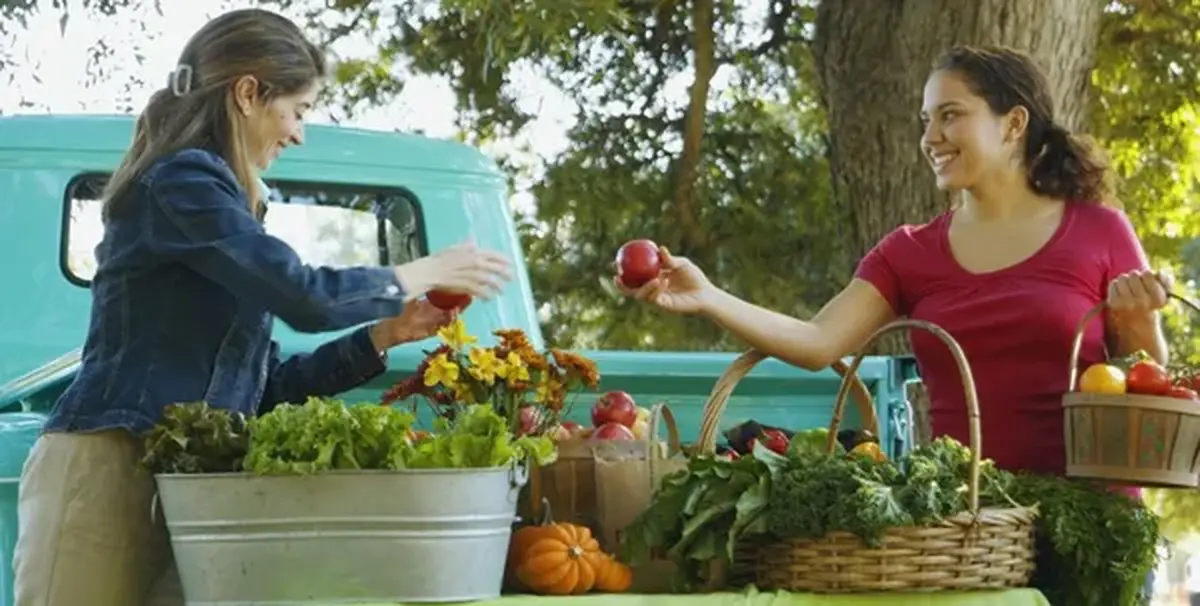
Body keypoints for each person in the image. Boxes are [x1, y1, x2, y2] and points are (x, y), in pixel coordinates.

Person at [13, 8, 513, 606]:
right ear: (247, 93)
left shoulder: (223, 207)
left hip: (189, 486)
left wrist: (381, 337)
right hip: (109, 471)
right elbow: (302, 294)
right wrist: (421, 271)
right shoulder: (180, 182)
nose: (299, 133)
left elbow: (260, 389)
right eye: (298, 110)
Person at [619, 44, 1170, 480]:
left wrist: (1141, 321)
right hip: (967, 524)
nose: (930, 138)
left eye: (950, 116)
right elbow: (817, 342)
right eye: (925, 120)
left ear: (1013, 124)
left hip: (1092, 518)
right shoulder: (909, 252)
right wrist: (709, 297)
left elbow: (1149, 381)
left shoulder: (1099, 230)